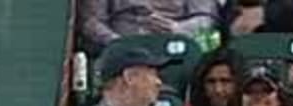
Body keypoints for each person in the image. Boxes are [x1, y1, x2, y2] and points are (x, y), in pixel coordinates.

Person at [78, 0, 219, 51]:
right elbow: (90, 22)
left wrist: (177, 29)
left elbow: (206, 19)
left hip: (174, 49)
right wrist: (118, 43)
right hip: (120, 49)